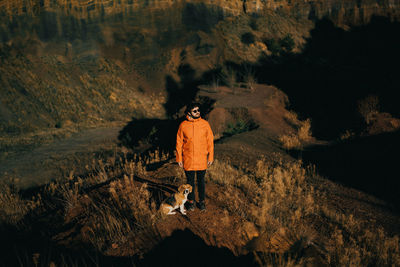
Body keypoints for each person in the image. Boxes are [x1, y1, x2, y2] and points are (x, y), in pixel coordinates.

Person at [176, 103, 214, 211]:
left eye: (198, 110)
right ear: (189, 113)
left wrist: (210, 157)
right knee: (190, 183)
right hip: (188, 159)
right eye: (195, 111)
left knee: (201, 181)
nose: (198, 112)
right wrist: (179, 158)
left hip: (202, 159)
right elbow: (179, 143)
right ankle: (191, 202)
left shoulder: (205, 124)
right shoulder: (183, 125)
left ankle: (201, 202)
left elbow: (210, 142)